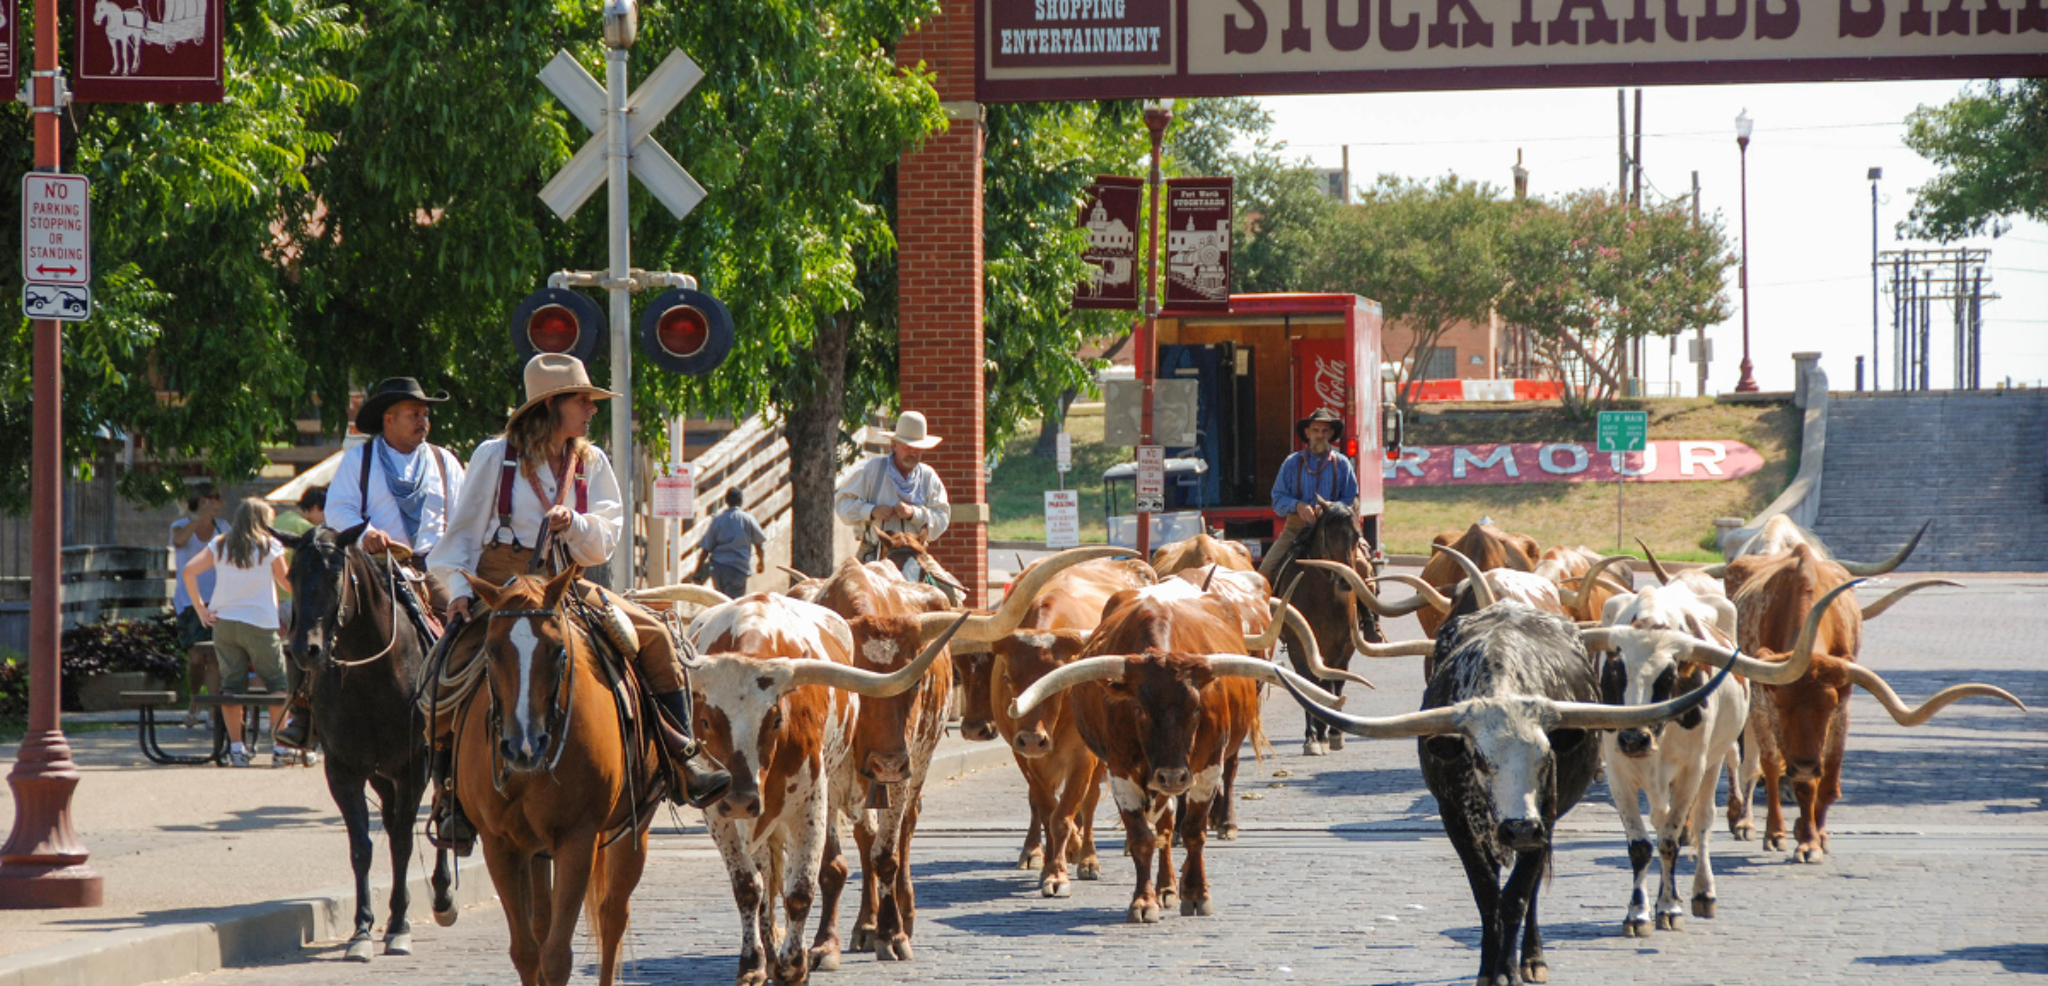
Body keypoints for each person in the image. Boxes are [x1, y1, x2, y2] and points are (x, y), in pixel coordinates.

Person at [428, 354, 729, 850]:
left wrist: (577, 523)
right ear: (551, 406)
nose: (592, 409)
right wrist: (460, 594)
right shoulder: (495, 457)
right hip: (503, 590)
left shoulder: (592, 462)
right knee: (443, 673)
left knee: (655, 637)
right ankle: (450, 796)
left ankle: (683, 758)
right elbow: (459, 537)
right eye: (582, 400)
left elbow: (605, 539)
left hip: (565, 585)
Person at [323, 377, 465, 616]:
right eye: (414, 415)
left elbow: (464, 517)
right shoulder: (358, 460)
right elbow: (338, 509)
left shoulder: (445, 461)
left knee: (462, 622)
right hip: (375, 566)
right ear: (389, 419)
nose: (423, 422)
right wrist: (367, 534)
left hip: (433, 569)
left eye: (425, 415)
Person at [180, 498, 292, 767]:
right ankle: (280, 747)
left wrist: (201, 608)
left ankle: (237, 748)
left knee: (231, 686)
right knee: (277, 685)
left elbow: (189, 570)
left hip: (225, 622)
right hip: (260, 622)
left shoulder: (220, 543)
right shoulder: (269, 545)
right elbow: (286, 582)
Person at [1256, 408, 1361, 588]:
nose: (1320, 435)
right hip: (1296, 529)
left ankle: (1366, 606)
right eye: (1315, 430)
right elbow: (1278, 498)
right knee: (1265, 573)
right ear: (1307, 433)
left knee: (1364, 570)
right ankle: (1269, 606)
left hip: (1336, 532)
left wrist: (1331, 508)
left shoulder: (1342, 464)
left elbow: (1353, 500)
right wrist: (1297, 506)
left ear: (1331, 434)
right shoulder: (1291, 463)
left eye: (1324, 431)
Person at [834, 410, 951, 564]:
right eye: (908, 447)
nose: (913, 452)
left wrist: (914, 513)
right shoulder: (872, 469)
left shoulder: (929, 477)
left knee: (944, 580)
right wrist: (871, 511)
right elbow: (842, 503)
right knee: (847, 579)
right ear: (894, 445)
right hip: (873, 552)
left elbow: (942, 517)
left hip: (915, 555)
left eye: (917, 448)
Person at [272, 485, 328, 753]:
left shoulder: (281, 519)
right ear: (316, 507)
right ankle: (303, 715)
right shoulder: (311, 530)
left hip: (279, 599)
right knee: (304, 645)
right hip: (303, 597)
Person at [170, 483, 229, 725]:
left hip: (218, 602)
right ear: (202, 500)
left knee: (214, 657)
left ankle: (213, 711)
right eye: (214, 497)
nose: (219, 502)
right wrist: (197, 518)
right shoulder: (180, 525)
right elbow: (179, 541)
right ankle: (195, 700)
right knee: (195, 658)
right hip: (189, 602)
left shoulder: (224, 528)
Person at [700, 487, 767, 599]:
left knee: (720, 601)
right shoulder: (747, 519)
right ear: (741, 501)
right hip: (738, 569)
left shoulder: (718, 520)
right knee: (734, 603)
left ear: (726, 501)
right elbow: (759, 543)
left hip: (719, 568)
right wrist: (761, 562)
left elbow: (706, 547)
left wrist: (698, 568)